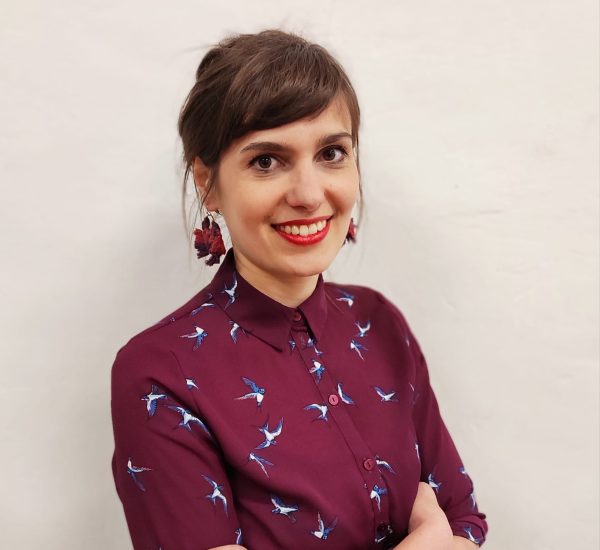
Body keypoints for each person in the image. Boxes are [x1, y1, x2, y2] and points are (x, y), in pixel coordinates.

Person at [110, 29, 488, 550]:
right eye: (266, 161)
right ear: (207, 182)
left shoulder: (379, 322)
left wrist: (447, 534)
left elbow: (463, 519)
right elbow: (444, 530)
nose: (310, 195)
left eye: (332, 153)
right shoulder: (160, 374)